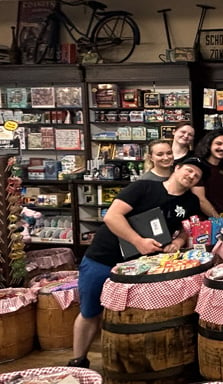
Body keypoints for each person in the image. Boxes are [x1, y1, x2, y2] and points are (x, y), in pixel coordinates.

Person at [67, 156, 208, 368]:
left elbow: (187, 228)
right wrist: (137, 241)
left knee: (133, 316)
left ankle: (128, 364)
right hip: (104, 257)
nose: (191, 176)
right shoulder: (143, 187)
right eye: (188, 170)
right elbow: (112, 216)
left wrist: (178, 241)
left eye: (197, 175)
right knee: (90, 311)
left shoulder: (190, 202)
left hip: (144, 268)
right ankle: (78, 361)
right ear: (176, 168)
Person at [191, 130, 223, 218]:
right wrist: (219, 220)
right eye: (218, 144)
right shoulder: (198, 166)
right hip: (203, 222)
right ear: (209, 144)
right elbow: (200, 199)